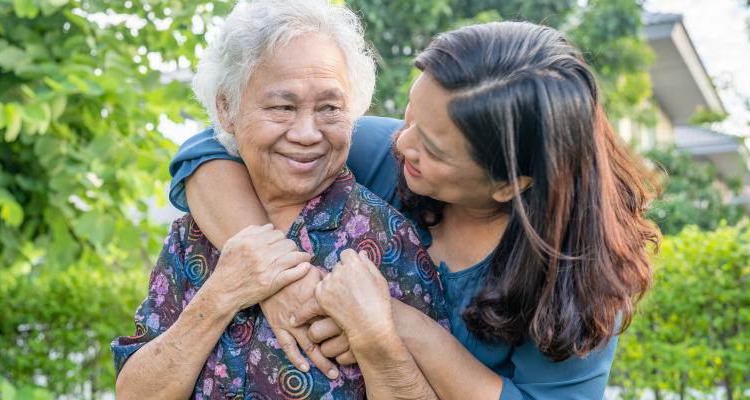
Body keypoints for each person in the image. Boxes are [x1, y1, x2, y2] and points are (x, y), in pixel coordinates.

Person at [169, 21, 661, 399]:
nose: (401, 144)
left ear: (511, 185)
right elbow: (209, 150)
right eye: (408, 115)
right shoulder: (384, 154)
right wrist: (280, 275)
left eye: (433, 150)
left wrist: (401, 326)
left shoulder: (580, 280)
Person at [111, 1, 448, 399]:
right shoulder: (193, 236)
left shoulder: (389, 242)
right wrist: (221, 295)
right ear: (226, 109)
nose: (307, 133)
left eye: (329, 108)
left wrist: (374, 340)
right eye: (282, 107)